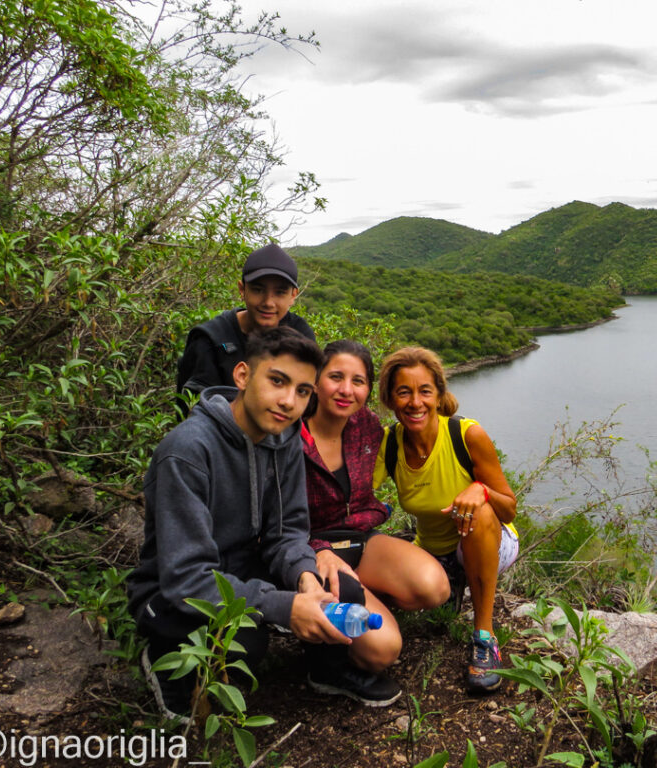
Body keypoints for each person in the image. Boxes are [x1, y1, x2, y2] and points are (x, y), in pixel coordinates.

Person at [127, 327, 353, 722]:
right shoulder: (187, 451)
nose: (288, 401)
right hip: (171, 591)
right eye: (277, 381)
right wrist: (281, 606)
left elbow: (287, 533)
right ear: (243, 376)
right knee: (246, 642)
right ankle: (162, 657)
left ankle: (327, 673)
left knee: (337, 587)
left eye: (302, 391)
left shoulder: (284, 440)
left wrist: (303, 576)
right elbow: (186, 577)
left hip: (241, 564)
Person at [301, 340, 449, 705]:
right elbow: (273, 521)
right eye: (336, 377)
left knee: (434, 587)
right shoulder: (290, 432)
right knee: (383, 651)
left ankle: (357, 604)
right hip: (305, 550)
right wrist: (315, 552)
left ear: (369, 391)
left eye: (358, 381)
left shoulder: (366, 427)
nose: (346, 390)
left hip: (356, 537)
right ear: (316, 380)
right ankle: (324, 663)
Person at [374, 347, 518, 693]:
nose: (415, 402)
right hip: (432, 550)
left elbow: (509, 508)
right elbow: (355, 493)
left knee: (481, 511)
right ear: (390, 399)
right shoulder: (389, 443)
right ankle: (451, 586)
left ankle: (484, 635)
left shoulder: (467, 436)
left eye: (424, 391)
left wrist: (482, 491)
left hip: (490, 541)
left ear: (439, 395)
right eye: (403, 392)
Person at [175, 243, 315, 410]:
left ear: (293, 295)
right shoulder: (210, 340)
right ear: (242, 289)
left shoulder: (300, 333)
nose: (268, 303)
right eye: (258, 290)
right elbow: (193, 411)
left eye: (279, 293)